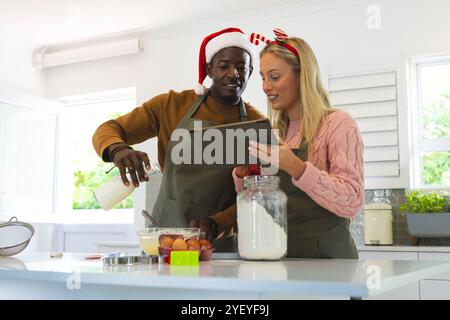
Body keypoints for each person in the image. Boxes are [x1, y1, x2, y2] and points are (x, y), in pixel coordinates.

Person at [92, 27, 264, 252]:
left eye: (242, 67)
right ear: (209, 69)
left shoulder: (257, 125)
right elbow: (108, 129)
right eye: (224, 66)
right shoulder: (170, 105)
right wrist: (117, 150)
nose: (234, 73)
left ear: (250, 71)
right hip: (165, 236)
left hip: (218, 244)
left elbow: (258, 194)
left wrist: (218, 224)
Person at [233, 29, 364, 258]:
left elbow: (352, 201)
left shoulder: (338, 124)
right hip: (284, 259)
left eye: (274, 77)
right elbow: (261, 208)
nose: (265, 86)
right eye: (263, 78)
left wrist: (298, 168)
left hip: (332, 264)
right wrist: (244, 177)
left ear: (302, 76)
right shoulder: (273, 135)